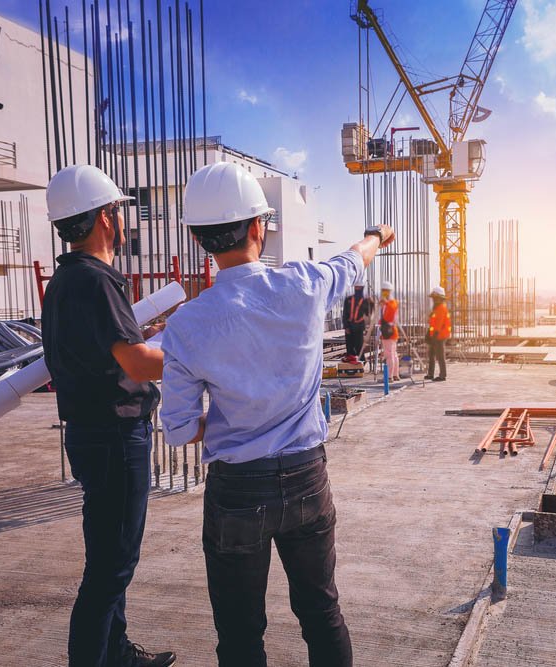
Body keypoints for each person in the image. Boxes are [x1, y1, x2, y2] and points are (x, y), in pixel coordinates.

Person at [159, 162, 395, 667]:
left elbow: (178, 429)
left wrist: (232, 423)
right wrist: (377, 234)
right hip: (308, 476)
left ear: (200, 237)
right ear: (256, 228)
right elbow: (356, 259)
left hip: (237, 490)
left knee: (241, 636)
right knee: (322, 612)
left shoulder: (186, 324)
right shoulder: (305, 285)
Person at [41, 165, 175, 667]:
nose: (121, 220)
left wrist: (154, 332)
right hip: (116, 435)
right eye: (118, 210)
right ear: (104, 217)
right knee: (112, 567)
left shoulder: (65, 282)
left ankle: (116, 654)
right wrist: (198, 349)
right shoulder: (99, 281)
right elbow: (138, 363)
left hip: (91, 433)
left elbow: (99, 350)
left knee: (110, 555)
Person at [341, 279, 373, 362]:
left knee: (359, 347)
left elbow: (368, 313)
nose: (357, 288)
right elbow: (344, 314)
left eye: (359, 287)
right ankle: (350, 362)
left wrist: (371, 304)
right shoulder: (348, 299)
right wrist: (346, 326)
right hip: (349, 326)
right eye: (356, 287)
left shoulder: (365, 301)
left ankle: (361, 362)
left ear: (362, 288)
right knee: (350, 347)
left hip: (359, 327)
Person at [425, 286, 452, 381]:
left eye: (435, 298)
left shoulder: (441, 308)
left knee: (440, 355)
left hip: (440, 336)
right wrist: (429, 333)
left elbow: (439, 323)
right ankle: (430, 373)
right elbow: (433, 322)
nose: (433, 299)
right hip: (435, 335)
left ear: (439, 298)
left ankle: (442, 375)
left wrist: (434, 335)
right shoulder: (436, 308)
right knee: (431, 354)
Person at [378, 279, 401, 381]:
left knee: (389, 355)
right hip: (391, 332)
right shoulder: (392, 303)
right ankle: (395, 374)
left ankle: (389, 376)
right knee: (393, 354)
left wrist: (384, 305)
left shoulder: (390, 304)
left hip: (389, 332)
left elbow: (387, 318)